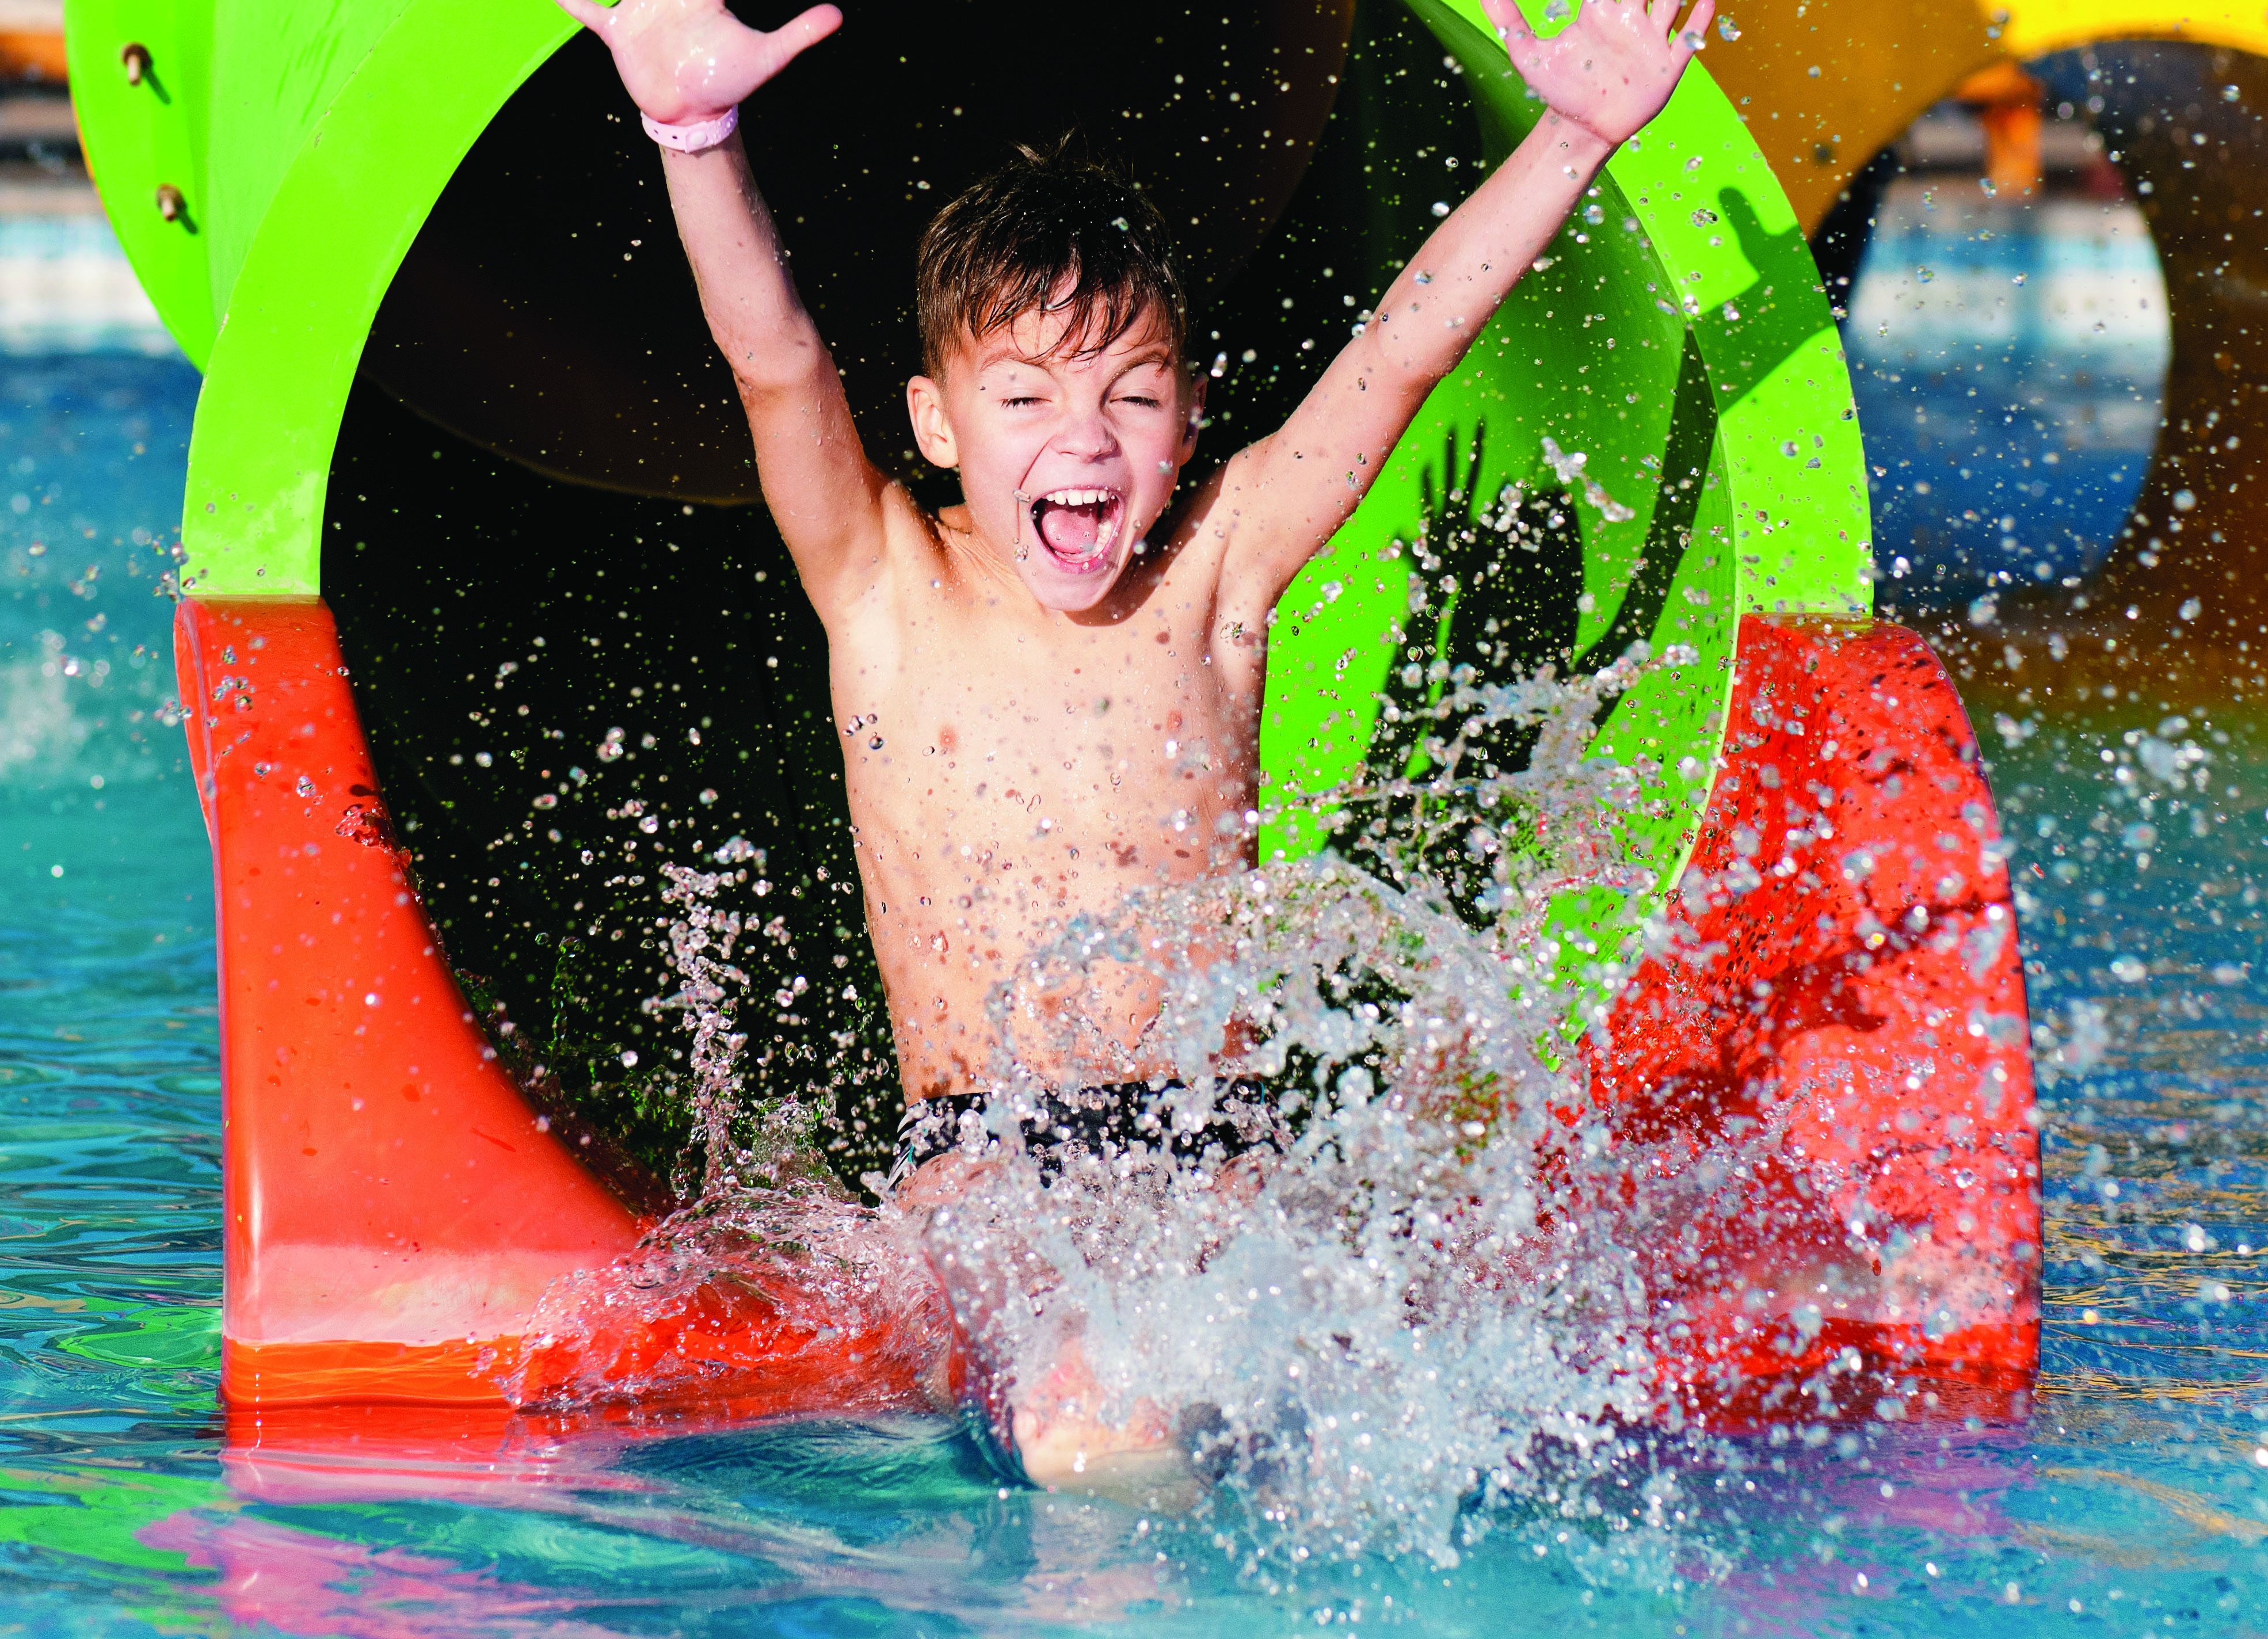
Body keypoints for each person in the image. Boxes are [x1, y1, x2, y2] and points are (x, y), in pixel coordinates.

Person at [552, 0, 1712, 1495]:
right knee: (1097, 1408)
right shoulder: (883, 585)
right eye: (1025, 398)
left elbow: (1404, 353)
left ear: (1193, 419)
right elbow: (772, 360)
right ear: (938, 419)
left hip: (1214, 1145)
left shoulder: (1221, 570)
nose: (1083, 441)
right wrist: (692, 135)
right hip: (991, 1157)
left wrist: (1576, 137)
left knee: (1472, 1362)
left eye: (1132, 396)